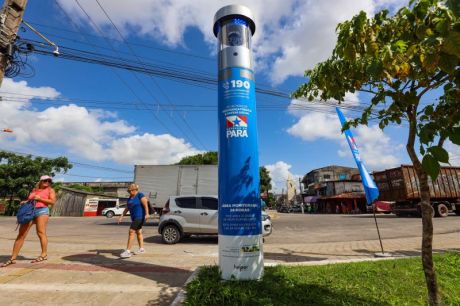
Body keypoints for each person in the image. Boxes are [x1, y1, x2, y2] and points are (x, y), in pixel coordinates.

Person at [1, 175, 56, 267]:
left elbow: (52, 201)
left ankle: (44, 254)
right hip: (29, 211)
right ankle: (13, 258)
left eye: (49, 181)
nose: (47, 182)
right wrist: (25, 202)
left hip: (42, 211)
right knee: (21, 234)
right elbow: (31, 200)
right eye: (45, 180)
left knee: (41, 232)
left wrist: (40, 199)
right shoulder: (34, 190)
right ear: (41, 181)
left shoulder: (50, 190)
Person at [118, 184, 149, 258]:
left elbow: (145, 205)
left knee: (131, 231)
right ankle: (141, 249)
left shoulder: (140, 195)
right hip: (134, 218)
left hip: (140, 217)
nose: (129, 192)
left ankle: (128, 251)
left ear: (134, 190)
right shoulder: (130, 198)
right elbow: (127, 208)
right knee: (138, 232)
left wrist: (147, 214)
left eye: (130, 190)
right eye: (128, 191)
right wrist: (121, 216)